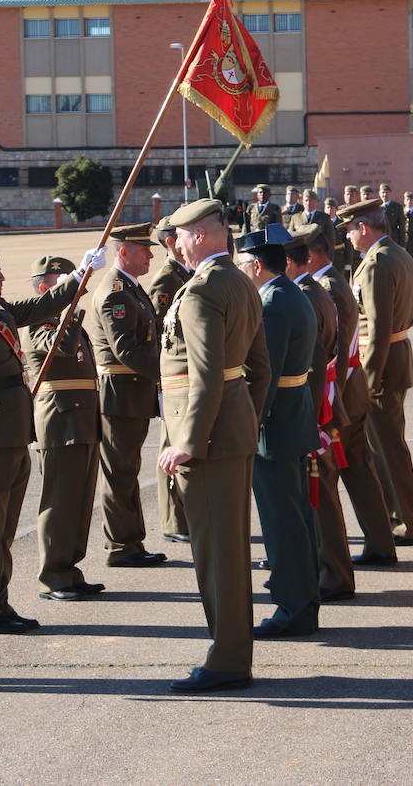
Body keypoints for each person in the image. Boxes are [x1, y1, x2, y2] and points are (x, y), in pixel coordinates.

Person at [0, 242, 105, 635]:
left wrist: (79, 275)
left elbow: (39, 309)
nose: (1, 277)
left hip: (13, 433)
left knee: (5, 528)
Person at [156, 199, 270, 693]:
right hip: (231, 429)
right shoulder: (241, 280)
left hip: (207, 439)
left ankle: (226, 661)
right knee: (227, 549)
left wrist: (190, 441)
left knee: (216, 553)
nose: (175, 244)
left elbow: (203, 375)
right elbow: (259, 368)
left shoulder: (202, 290)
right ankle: (231, 654)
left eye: (179, 235)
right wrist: (245, 419)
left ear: (199, 235)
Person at [236, 225, 321, 637]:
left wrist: (248, 424)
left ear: (255, 265)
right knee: (295, 517)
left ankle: (293, 608)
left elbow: (263, 376)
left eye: (241, 265)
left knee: (281, 522)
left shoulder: (271, 304)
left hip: (275, 426)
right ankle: (301, 599)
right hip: (294, 416)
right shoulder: (293, 294)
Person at [305, 224, 398, 568]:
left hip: (338, 394)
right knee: (359, 470)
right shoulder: (334, 283)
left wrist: (330, 399)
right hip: (350, 389)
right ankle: (380, 542)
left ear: (313, 255)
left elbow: (333, 351)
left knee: (329, 476)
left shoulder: (325, 287)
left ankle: (334, 557)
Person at [341, 198, 413, 545]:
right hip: (397, 356)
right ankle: (402, 518)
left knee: (386, 450)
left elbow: (376, 328)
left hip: (380, 366)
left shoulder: (375, 264)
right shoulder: (399, 255)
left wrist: (368, 379)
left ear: (363, 228)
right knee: (391, 446)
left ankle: (404, 522)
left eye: (349, 230)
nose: (347, 237)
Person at [22, 256, 105, 601]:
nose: (78, 286)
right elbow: (62, 347)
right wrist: (69, 303)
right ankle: (53, 575)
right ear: (45, 288)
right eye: (65, 281)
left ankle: (70, 569)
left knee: (81, 501)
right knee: (60, 502)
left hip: (83, 418)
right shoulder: (39, 323)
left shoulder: (67, 319)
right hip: (59, 421)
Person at [88, 223, 167, 568]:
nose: (150, 254)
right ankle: (121, 546)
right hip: (119, 394)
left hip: (132, 392)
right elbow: (127, 350)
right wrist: (169, 373)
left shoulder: (130, 288)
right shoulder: (116, 292)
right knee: (119, 473)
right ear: (124, 252)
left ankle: (132, 543)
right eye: (143, 249)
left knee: (127, 470)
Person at [284, 225, 354, 600]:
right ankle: (326, 569)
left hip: (315, 410)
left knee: (321, 497)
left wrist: (308, 418)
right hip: (321, 407)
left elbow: (313, 365)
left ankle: (334, 575)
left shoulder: (308, 297)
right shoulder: (311, 292)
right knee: (319, 496)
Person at [148, 217, 191, 543]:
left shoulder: (185, 274)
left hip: (185, 374)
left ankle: (183, 516)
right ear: (170, 242)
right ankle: (173, 521)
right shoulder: (167, 281)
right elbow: (162, 333)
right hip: (173, 376)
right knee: (170, 445)